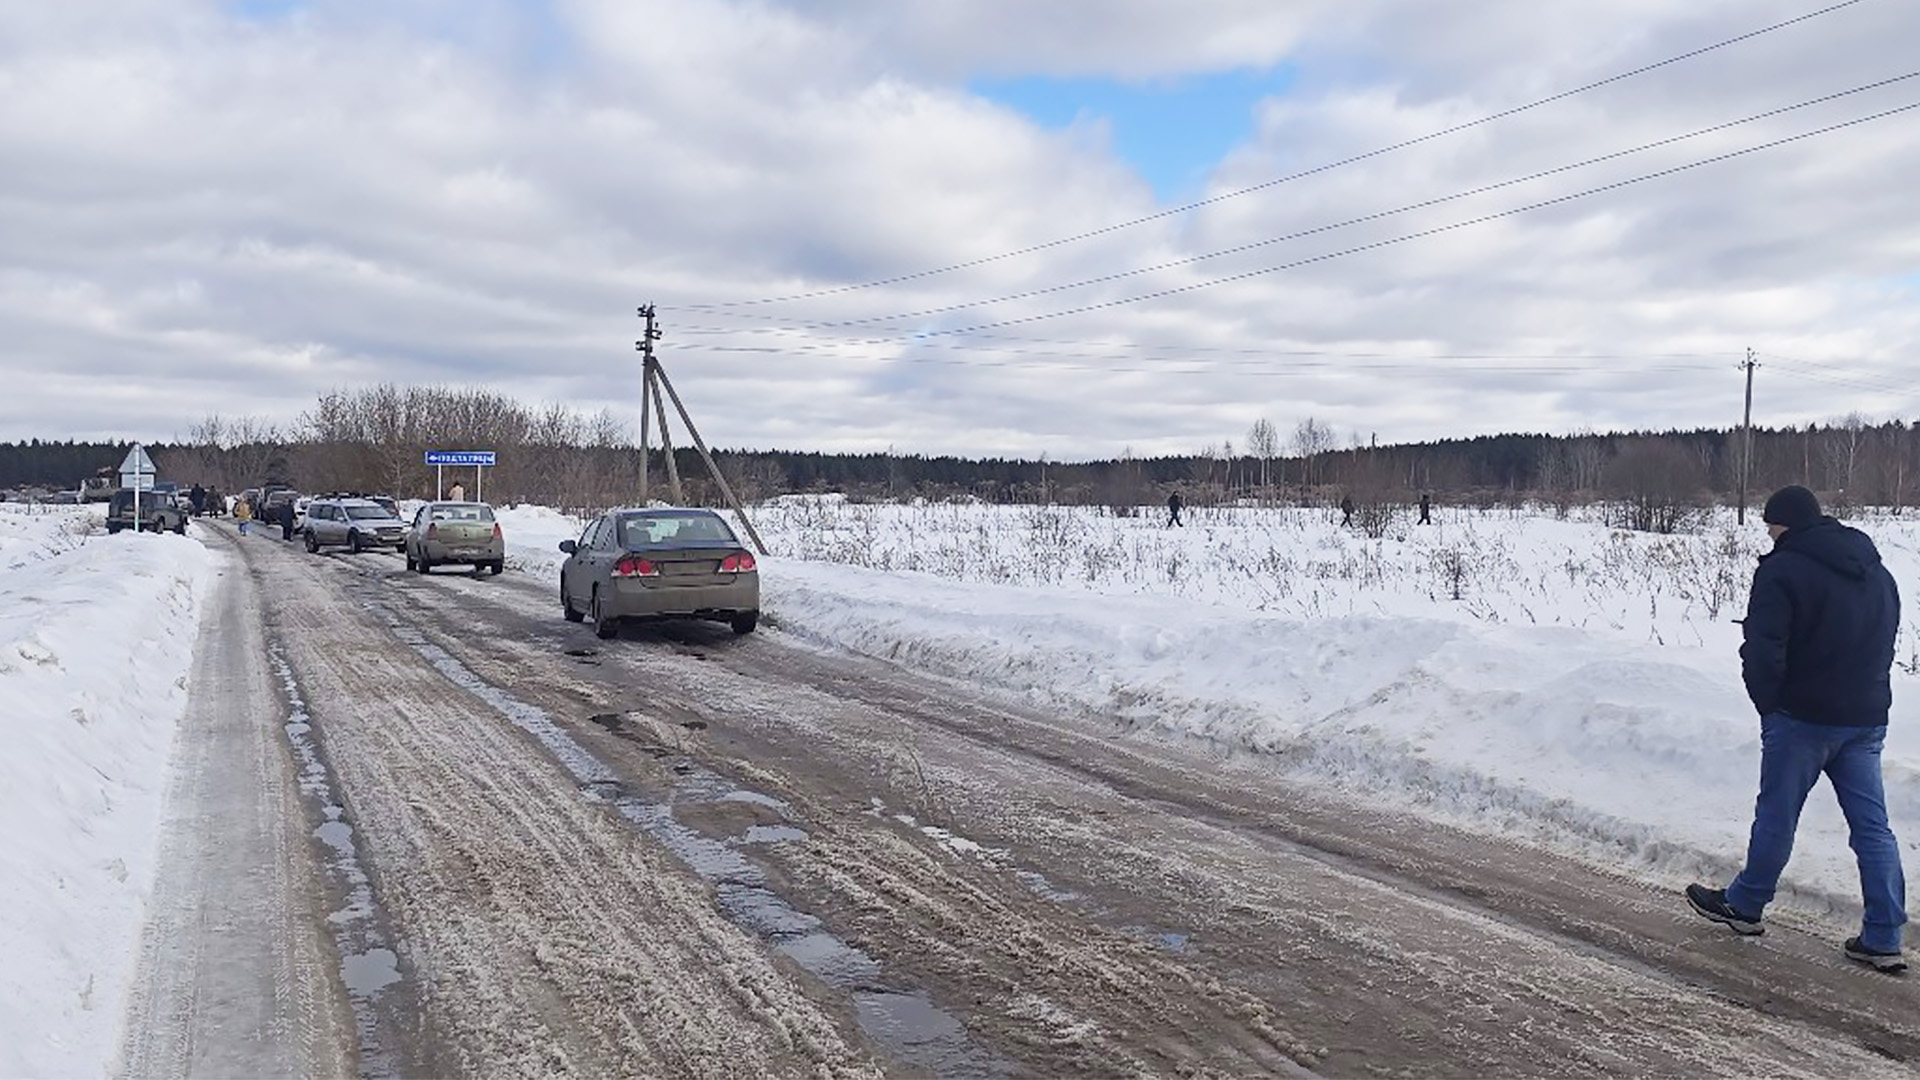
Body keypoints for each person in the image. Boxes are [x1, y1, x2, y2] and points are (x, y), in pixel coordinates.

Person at [1686, 485, 1906, 972]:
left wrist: (1770, 705)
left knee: (1778, 814)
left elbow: (1763, 647)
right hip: (1865, 718)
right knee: (1873, 828)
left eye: (1769, 527)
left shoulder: (1782, 569)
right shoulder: (1877, 571)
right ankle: (1885, 934)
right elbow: (1887, 636)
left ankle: (1746, 906)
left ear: (1783, 524)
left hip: (1802, 718)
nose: (1768, 535)